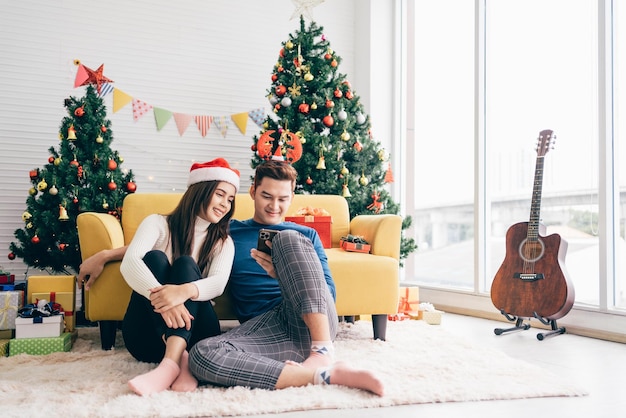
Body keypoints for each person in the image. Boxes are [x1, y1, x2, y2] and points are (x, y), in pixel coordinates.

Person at [77, 160, 383, 397]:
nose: (274, 206)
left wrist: (285, 277)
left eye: (283, 199)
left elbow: (327, 291)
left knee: (286, 238)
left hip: (315, 322)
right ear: (251, 193)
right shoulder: (227, 233)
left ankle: (322, 352)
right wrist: (105, 255)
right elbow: (165, 242)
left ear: (291, 199)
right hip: (265, 330)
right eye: (266, 196)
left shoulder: (305, 234)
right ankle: (324, 374)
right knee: (202, 355)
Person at [118, 157, 240, 396]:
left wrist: (181, 292)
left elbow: (217, 284)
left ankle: (169, 364)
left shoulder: (223, 242)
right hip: (145, 339)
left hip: (198, 336)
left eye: (230, 199)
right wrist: (165, 304)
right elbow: (130, 263)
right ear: (200, 190)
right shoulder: (156, 223)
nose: (225, 204)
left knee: (185, 264)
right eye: (220, 194)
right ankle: (179, 360)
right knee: (154, 259)